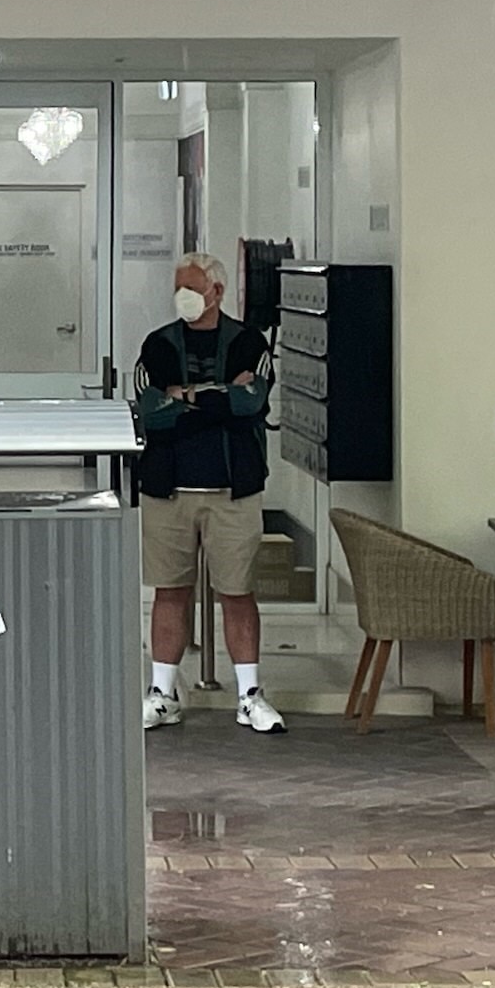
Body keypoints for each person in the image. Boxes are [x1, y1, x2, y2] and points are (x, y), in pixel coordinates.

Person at [135, 254, 284, 735]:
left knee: (237, 593)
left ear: (217, 291)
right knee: (169, 591)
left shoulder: (248, 343)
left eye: (193, 287)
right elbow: (149, 410)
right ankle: (162, 694)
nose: (184, 297)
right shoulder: (158, 345)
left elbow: (251, 401)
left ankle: (249, 697)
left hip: (232, 489)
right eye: (179, 287)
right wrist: (215, 396)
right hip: (168, 490)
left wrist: (184, 395)